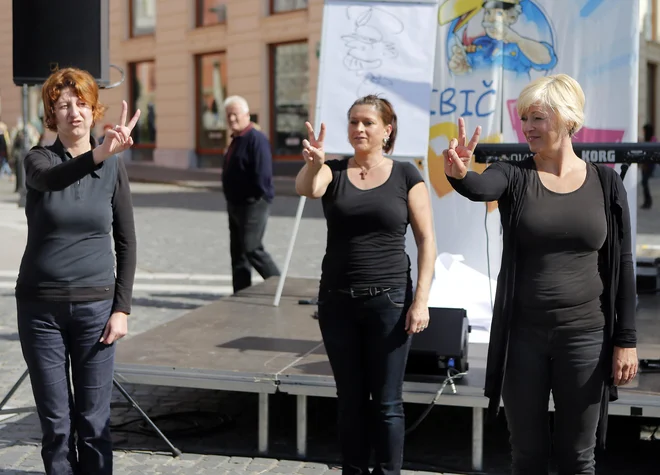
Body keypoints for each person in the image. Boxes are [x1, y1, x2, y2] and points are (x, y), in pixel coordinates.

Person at [442, 74, 637, 474]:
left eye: (538, 118)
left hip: (586, 338)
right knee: (527, 456)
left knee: (577, 458)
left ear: (568, 121)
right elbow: (479, 187)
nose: (527, 127)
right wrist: (460, 174)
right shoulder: (513, 175)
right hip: (523, 338)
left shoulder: (606, 183)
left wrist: (626, 341)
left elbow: (625, 263)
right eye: (524, 118)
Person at [295, 95, 436, 475]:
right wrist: (314, 164)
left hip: (389, 303)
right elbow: (308, 188)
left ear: (387, 130)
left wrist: (420, 301)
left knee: (387, 403)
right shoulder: (334, 170)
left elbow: (427, 241)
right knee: (351, 400)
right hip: (338, 303)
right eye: (353, 122)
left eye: (368, 123)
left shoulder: (407, 175)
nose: (359, 129)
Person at [15, 67, 139, 475]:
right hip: (41, 312)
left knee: (94, 422)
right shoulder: (37, 159)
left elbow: (126, 240)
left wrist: (121, 309)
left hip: (96, 311)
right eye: (63, 105)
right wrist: (100, 153)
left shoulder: (114, 168)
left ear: (92, 109)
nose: (74, 113)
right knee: (55, 424)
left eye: (81, 104)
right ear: (51, 114)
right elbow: (51, 180)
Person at [222, 95, 280, 293]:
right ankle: (240, 291)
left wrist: (260, 197)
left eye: (235, 114)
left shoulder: (256, 138)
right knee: (238, 253)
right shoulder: (237, 139)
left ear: (247, 115)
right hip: (235, 203)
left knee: (252, 247)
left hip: (253, 202)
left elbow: (263, 174)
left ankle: (279, 284)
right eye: (229, 115)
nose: (231, 119)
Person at [640, 122, 657, 209]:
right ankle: (647, 201)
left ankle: (648, 201)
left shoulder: (652, 140)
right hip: (645, 165)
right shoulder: (647, 139)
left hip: (650, 165)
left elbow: (652, 153)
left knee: (644, 182)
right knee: (644, 183)